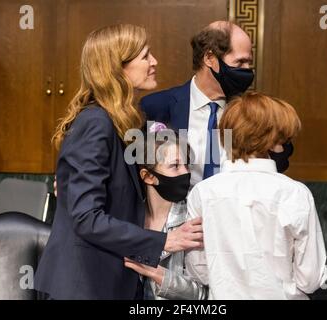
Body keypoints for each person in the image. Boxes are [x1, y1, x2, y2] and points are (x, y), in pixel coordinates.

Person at [34, 24, 203, 300]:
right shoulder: (95, 123)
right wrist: (164, 241)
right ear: (117, 68)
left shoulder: (131, 120)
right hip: (83, 284)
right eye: (145, 56)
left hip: (111, 282)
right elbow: (87, 217)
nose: (154, 62)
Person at [185, 92, 327, 300]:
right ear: (271, 141)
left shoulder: (203, 193)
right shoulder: (295, 194)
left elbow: (199, 270)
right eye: (282, 137)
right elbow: (311, 278)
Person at [140, 21, 294, 186]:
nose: (248, 70)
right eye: (240, 62)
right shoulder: (156, 107)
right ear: (209, 58)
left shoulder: (255, 112)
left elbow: (279, 165)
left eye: (249, 62)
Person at [124, 122, 208, 300]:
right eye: (175, 166)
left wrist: (160, 275)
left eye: (187, 165)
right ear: (148, 176)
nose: (185, 173)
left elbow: (204, 294)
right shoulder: (127, 219)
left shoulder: (194, 220)